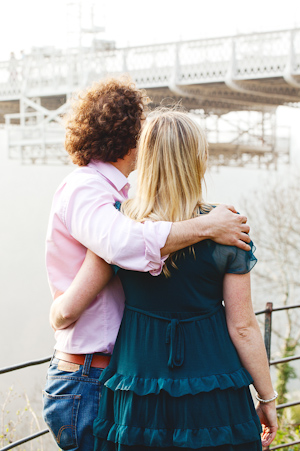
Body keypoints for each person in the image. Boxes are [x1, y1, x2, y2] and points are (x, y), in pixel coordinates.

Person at [43, 77, 252, 451]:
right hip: (87, 376)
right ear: (127, 136)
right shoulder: (88, 190)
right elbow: (122, 246)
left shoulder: (117, 196)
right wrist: (207, 225)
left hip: (104, 373)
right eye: (141, 127)